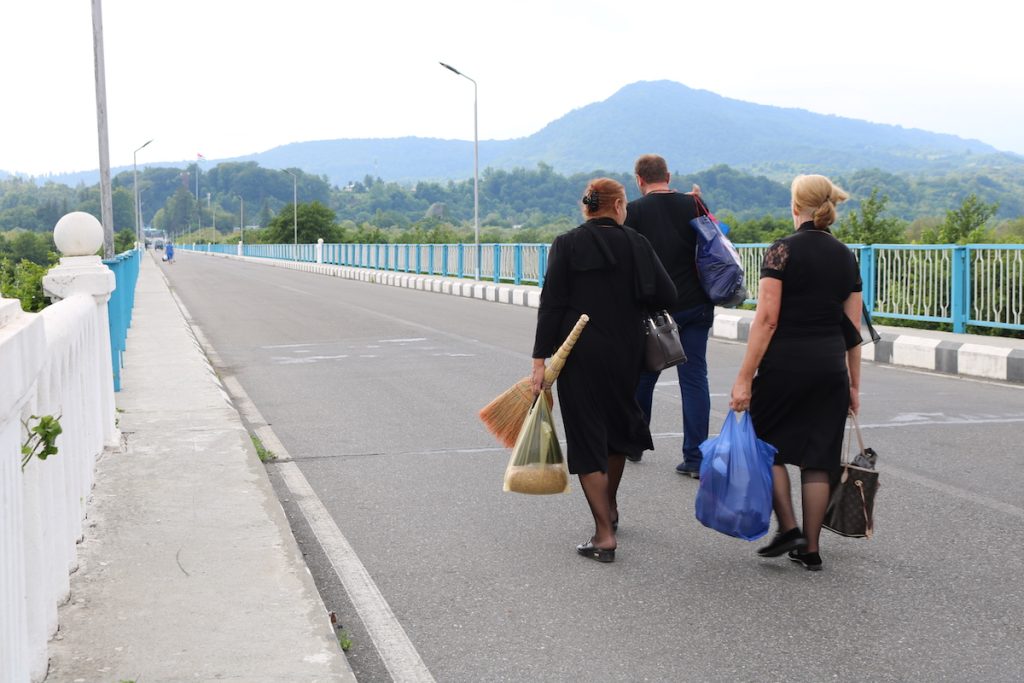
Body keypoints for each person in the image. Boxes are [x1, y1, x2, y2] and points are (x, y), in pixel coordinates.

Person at [532, 178, 676, 563]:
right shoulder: (637, 243)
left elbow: (552, 304)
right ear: (617, 205)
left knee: (586, 435)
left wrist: (539, 361)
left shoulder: (567, 244)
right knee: (615, 430)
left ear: (588, 207)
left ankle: (604, 534)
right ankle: (608, 507)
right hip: (626, 351)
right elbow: (667, 294)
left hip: (579, 353)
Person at [729, 174, 863, 572]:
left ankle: (789, 528)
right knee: (819, 457)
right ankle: (812, 549)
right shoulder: (845, 256)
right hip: (829, 368)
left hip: (785, 365)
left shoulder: (781, 252)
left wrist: (743, 376)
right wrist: (854, 385)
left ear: (795, 207)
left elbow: (766, 321)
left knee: (762, 443)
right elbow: (853, 333)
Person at [625, 154, 712, 477]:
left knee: (644, 375)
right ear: (669, 176)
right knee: (693, 380)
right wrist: (699, 201)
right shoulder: (694, 204)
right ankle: (695, 458)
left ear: (639, 179)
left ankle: (634, 442)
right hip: (696, 305)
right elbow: (716, 239)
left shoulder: (633, 211)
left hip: (654, 310)